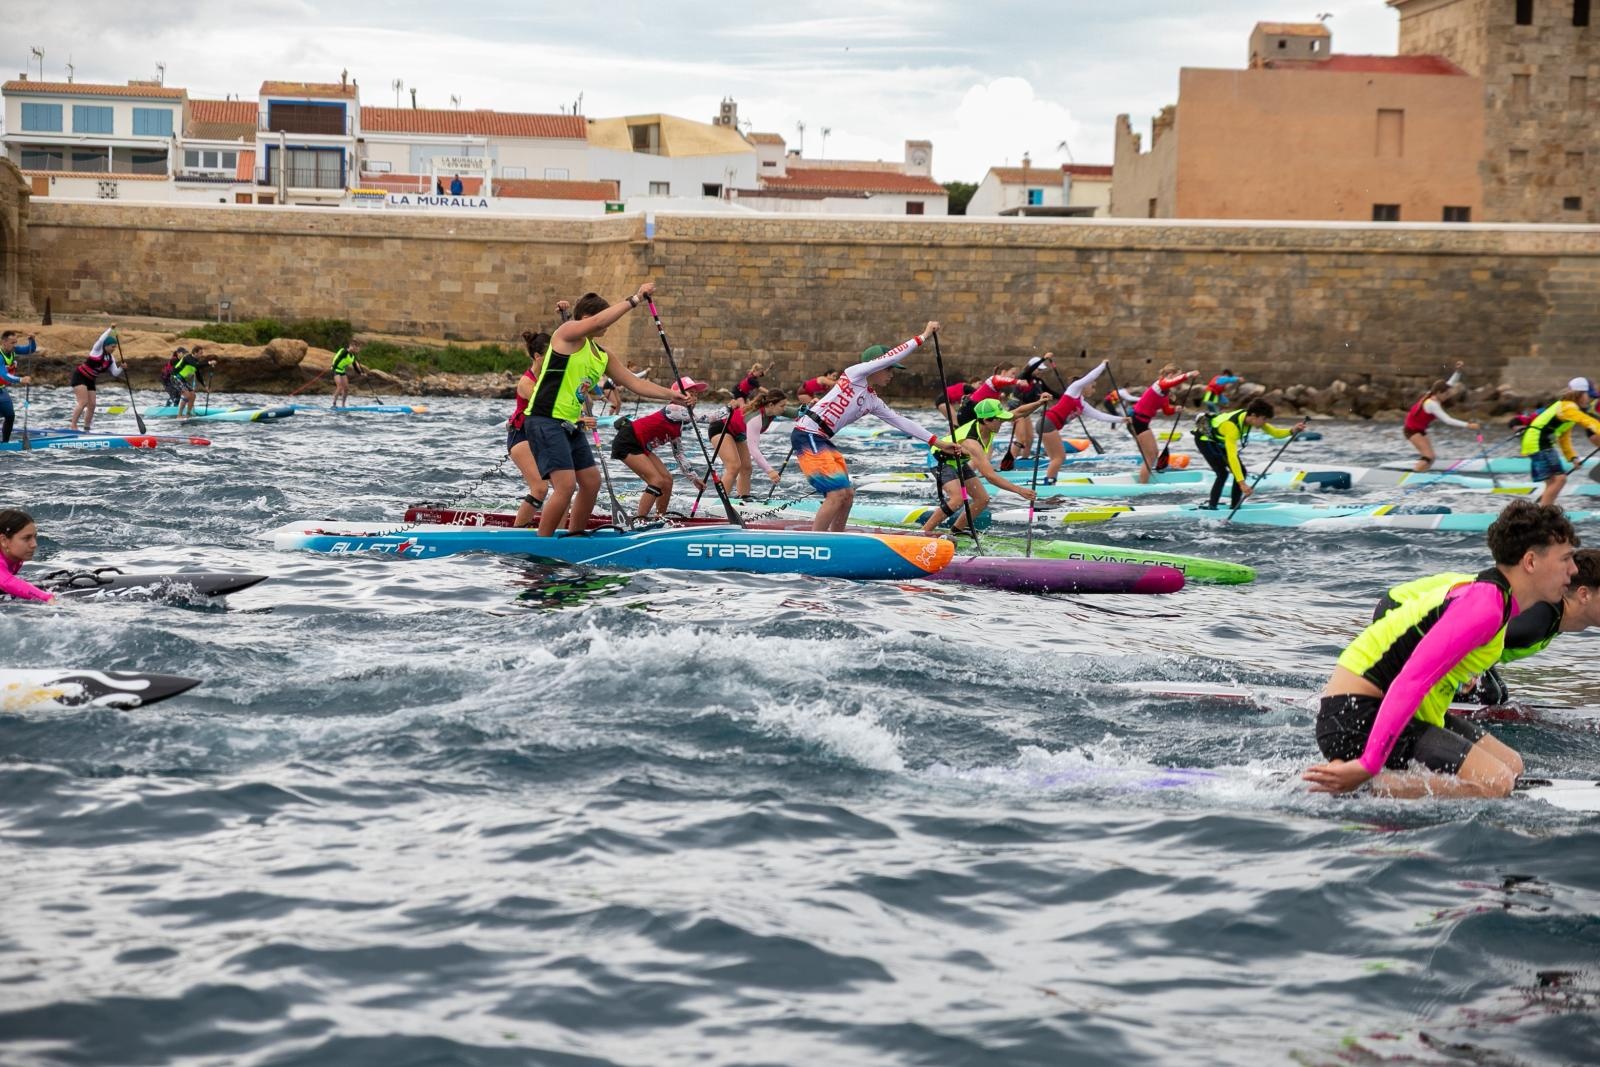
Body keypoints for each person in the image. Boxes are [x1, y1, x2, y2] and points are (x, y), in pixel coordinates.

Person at [1305, 500, 1578, 799]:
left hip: (1382, 710)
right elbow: (1410, 681)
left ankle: (1386, 779)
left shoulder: (1497, 601)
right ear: (1530, 562)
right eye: (1565, 559)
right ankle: (1355, 786)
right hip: (1355, 717)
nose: (1574, 570)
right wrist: (1368, 765)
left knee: (1512, 767)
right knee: (1495, 783)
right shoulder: (1484, 606)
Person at [523, 281, 691, 537]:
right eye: (603, 319)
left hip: (571, 424)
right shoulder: (566, 334)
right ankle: (542, 543)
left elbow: (635, 383)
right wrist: (635, 299)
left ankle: (575, 537)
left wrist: (672, 395)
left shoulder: (603, 355)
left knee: (591, 483)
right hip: (544, 420)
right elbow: (599, 321)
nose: (608, 325)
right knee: (565, 486)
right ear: (587, 318)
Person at [792, 323, 961, 531]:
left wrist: (939, 443)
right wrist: (924, 335)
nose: (892, 374)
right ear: (877, 366)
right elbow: (891, 356)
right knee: (836, 495)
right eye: (889, 369)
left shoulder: (872, 401)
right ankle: (818, 541)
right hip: (807, 434)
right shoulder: (854, 374)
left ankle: (837, 538)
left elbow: (902, 422)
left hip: (821, 439)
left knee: (848, 495)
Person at [1381, 548, 1600, 706]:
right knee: (1486, 694)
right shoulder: (1537, 618)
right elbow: (1469, 626)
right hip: (1402, 610)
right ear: (1584, 595)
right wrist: (1461, 672)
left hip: (1410, 609)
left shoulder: (1548, 613)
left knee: (1497, 694)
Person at [919, 398, 1044, 537]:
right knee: (957, 500)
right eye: (999, 420)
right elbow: (989, 476)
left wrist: (1039, 402)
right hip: (939, 460)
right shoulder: (971, 442)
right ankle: (923, 533)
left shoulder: (989, 424)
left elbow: (1018, 412)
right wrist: (1019, 490)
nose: (1002, 422)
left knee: (982, 499)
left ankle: (957, 530)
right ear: (986, 420)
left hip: (958, 460)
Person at [609, 377, 709, 522]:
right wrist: (729, 409)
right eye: (690, 394)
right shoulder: (673, 409)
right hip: (627, 441)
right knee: (656, 480)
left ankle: (660, 519)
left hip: (641, 446)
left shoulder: (678, 424)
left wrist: (694, 478)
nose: (694, 398)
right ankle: (639, 521)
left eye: (696, 395)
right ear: (677, 396)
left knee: (667, 481)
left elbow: (679, 454)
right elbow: (705, 419)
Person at [1191, 399, 1306, 510]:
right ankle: (1212, 506)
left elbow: (1275, 433)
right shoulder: (1232, 427)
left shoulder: (1251, 418)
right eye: (1264, 419)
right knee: (1222, 473)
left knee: (1242, 472)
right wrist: (1242, 484)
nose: (1265, 422)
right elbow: (1232, 457)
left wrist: (1292, 430)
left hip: (1219, 441)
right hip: (1205, 440)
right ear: (1254, 415)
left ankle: (1235, 506)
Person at [1038, 358, 1128, 481]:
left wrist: (1122, 419)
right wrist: (1103, 365)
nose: (1094, 390)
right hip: (1048, 423)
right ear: (1085, 384)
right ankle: (1049, 482)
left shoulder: (1082, 404)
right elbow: (1091, 376)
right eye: (1092, 386)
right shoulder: (1074, 389)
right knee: (1059, 458)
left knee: (1056, 458)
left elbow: (1100, 416)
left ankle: (1050, 480)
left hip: (1048, 424)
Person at [1519, 377, 1600, 506]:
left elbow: (1564, 438)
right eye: (1588, 395)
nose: (1590, 399)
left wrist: (1572, 457)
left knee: (1553, 481)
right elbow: (1588, 421)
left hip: (1538, 442)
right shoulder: (1568, 407)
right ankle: (1544, 513)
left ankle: (1544, 510)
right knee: (1559, 479)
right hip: (1538, 442)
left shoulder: (1568, 409)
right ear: (1579, 394)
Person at [507, 327, 556, 528]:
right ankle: (518, 530)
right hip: (521, 437)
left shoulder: (550, 377)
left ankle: (559, 531)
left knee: (564, 488)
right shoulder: (527, 383)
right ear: (537, 357)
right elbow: (548, 407)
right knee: (540, 488)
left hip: (542, 436)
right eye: (551, 355)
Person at [709, 387, 786, 498]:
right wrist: (770, 471)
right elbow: (753, 449)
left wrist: (810, 408)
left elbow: (798, 412)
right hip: (721, 428)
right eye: (782, 406)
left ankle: (744, 497)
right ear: (771, 405)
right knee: (733, 467)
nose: (784, 409)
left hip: (736, 434)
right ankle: (721, 501)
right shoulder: (755, 417)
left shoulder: (775, 409)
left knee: (746, 468)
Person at [1403, 362, 1479, 472]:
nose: (1447, 396)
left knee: (1432, 457)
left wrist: (1458, 371)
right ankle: (1413, 476)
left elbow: (1450, 383)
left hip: (1419, 430)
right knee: (1428, 456)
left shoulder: (1433, 393)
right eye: (1446, 394)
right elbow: (1447, 420)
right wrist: (1468, 425)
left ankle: (1421, 474)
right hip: (1411, 430)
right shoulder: (1432, 404)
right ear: (1439, 393)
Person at [1129, 365, 1199, 484]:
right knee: (1150, 456)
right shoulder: (1159, 385)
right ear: (1170, 375)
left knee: (1154, 453)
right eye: (1177, 376)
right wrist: (1189, 375)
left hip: (1143, 422)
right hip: (1137, 420)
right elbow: (1171, 382)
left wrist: (1175, 409)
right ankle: (1142, 485)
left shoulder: (1165, 393)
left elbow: (1166, 411)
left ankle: (1144, 479)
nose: (1178, 381)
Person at [68, 326, 123, 432]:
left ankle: (87, 428)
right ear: (106, 346)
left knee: (92, 405)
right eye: (112, 347)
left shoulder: (111, 358)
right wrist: (110, 329)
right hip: (80, 376)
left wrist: (121, 367)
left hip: (90, 380)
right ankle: (73, 425)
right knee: (83, 402)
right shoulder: (97, 350)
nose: (114, 349)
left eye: (115, 347)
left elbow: (115, 373)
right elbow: (101, 339)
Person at [0, 509, 54, 602]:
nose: (34, 544)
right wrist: (46, 597)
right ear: (4, 541)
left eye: (34, 537)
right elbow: (7, 582)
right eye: (26, 538)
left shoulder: (15, 557)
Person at [0, 330, 38, 443]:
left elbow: (30, 349)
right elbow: (3, 375)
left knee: (10, 416)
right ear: (4, 342)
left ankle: (5, 444)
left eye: (15, 342)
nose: (15, 345)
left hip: (1, 389)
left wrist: (32, 340)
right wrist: (20, 379)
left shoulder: (13, 350)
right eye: (12, 343)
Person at [161, 346, 217, 417]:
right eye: (200, 353)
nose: (202, 355)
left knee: (193, 395)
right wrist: (209, 363)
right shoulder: (188, 358)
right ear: (195, 353)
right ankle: (179, 415)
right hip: (175, 377)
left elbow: (198, 375)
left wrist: (205, 386)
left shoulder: (196, 362)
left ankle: (188, 414)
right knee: (187, 395)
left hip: (183, 380)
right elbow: (195, 365)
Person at [331, 342, 365, 409]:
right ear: (350, 346)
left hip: (342, 371)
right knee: (339, 386)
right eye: (354, 347)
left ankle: (343, 405)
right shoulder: (344, 351)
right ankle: (334, 404)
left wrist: (360, 373)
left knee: (346, 389)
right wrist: (349, 350)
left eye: (357, 348)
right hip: (336, 369)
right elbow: (339, 357)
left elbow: (355, 366)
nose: (356, 349)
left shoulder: (352, 356)